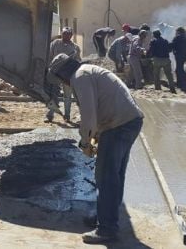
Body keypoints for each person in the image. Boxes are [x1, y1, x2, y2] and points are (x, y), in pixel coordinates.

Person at [48, 53, 144, 245]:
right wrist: (97, 134)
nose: (61, 83)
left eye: (59, 79)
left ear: (62, 74)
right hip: (129, 121)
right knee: (115, 175)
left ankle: (107, 228)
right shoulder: (88, 71)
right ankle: (106, 215)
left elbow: (89, 115)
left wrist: (85, 140)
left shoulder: (80, 77)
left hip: (118, 125)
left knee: (106, 177)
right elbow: (101, 107)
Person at [45, 27, 82, 122]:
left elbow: (78, 62)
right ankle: (50, 114)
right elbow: (49, 56)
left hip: (67, 75)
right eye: (64, 33)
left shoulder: (75, 48)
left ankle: (67, 115)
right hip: (55, 73)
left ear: (71, 35)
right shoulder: (55, 43)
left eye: (68, 34)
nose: (66, 35)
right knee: (53, 94)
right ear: (61, 34)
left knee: (67, 96)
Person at [171, 27, 186, 92]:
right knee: (178, 69)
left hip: (179, 55)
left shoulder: (177, 37)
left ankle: (184, 85)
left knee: (179, 70)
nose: (175, 33)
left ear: (178, 32)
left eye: (176, 32)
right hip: (184, 55)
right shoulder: (185, 38)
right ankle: (179, 83)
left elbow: (172, 45)